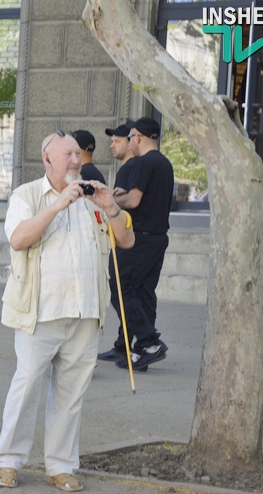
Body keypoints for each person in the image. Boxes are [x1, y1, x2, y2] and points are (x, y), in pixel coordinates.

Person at [0, 131, 134, 492]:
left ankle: (60, 466)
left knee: (71, 395)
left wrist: (110, 206)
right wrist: (57, 205)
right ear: (48, 160)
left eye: (77, 155)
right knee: (26, 388)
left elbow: (127, 240)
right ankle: (8, 462)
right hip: (39, 313)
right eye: (68, 155)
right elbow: (19, 239)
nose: (76, 160)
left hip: (85, 313)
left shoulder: (93, 196)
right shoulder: (26, 196)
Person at [105, 117, 174, 371]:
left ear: (140, 137)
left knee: (120, 287)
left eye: (131, 135)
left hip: (141, 237)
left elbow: (133, 201)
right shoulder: (164, 163)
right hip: (157, 236)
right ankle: (143, 351)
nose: (130, 140)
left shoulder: (145, 161)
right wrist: (123, 197)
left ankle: (149, 342)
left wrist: (110, 202)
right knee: (144, 292)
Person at [98, 120, 140, 363]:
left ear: (131, 142)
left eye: (117, 141)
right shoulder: (134, 167)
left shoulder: (129, 169)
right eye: (111, 141)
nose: (112, 145)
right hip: (133, 240)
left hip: (126, 241)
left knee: (119, 293)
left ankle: (142, 339)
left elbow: (121, 205)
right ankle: (124, 344)